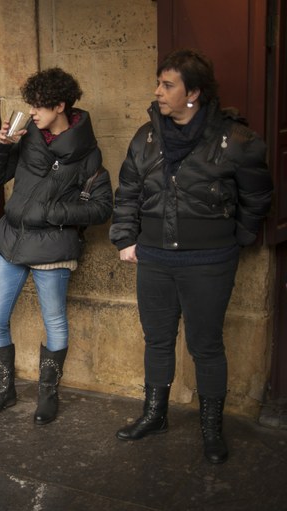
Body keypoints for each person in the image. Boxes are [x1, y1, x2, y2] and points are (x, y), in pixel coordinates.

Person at [110, 49, 273, 464]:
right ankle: (154, 415)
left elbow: (258, 196)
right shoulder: (146, 137)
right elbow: (127, 192)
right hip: (154, 259)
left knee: (206, 345)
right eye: (158, 83)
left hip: (209, 262)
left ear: (194, 93)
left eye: (168, 85)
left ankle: (211, 428)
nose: (158, 92)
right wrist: (126, 238)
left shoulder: (236, 140)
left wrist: (236, 238)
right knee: (157, 340)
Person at [0, 68, 113, 424]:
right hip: (12, 239)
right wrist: (1, 146)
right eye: (31, 104)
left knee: (54, 321)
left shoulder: (88, 154)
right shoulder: (27, 136)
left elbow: (102, 208)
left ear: (60, 106)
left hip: (52, 247)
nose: (32, 112)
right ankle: (4, 391)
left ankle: (48, 396)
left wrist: (54, 212)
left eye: (39, 106)